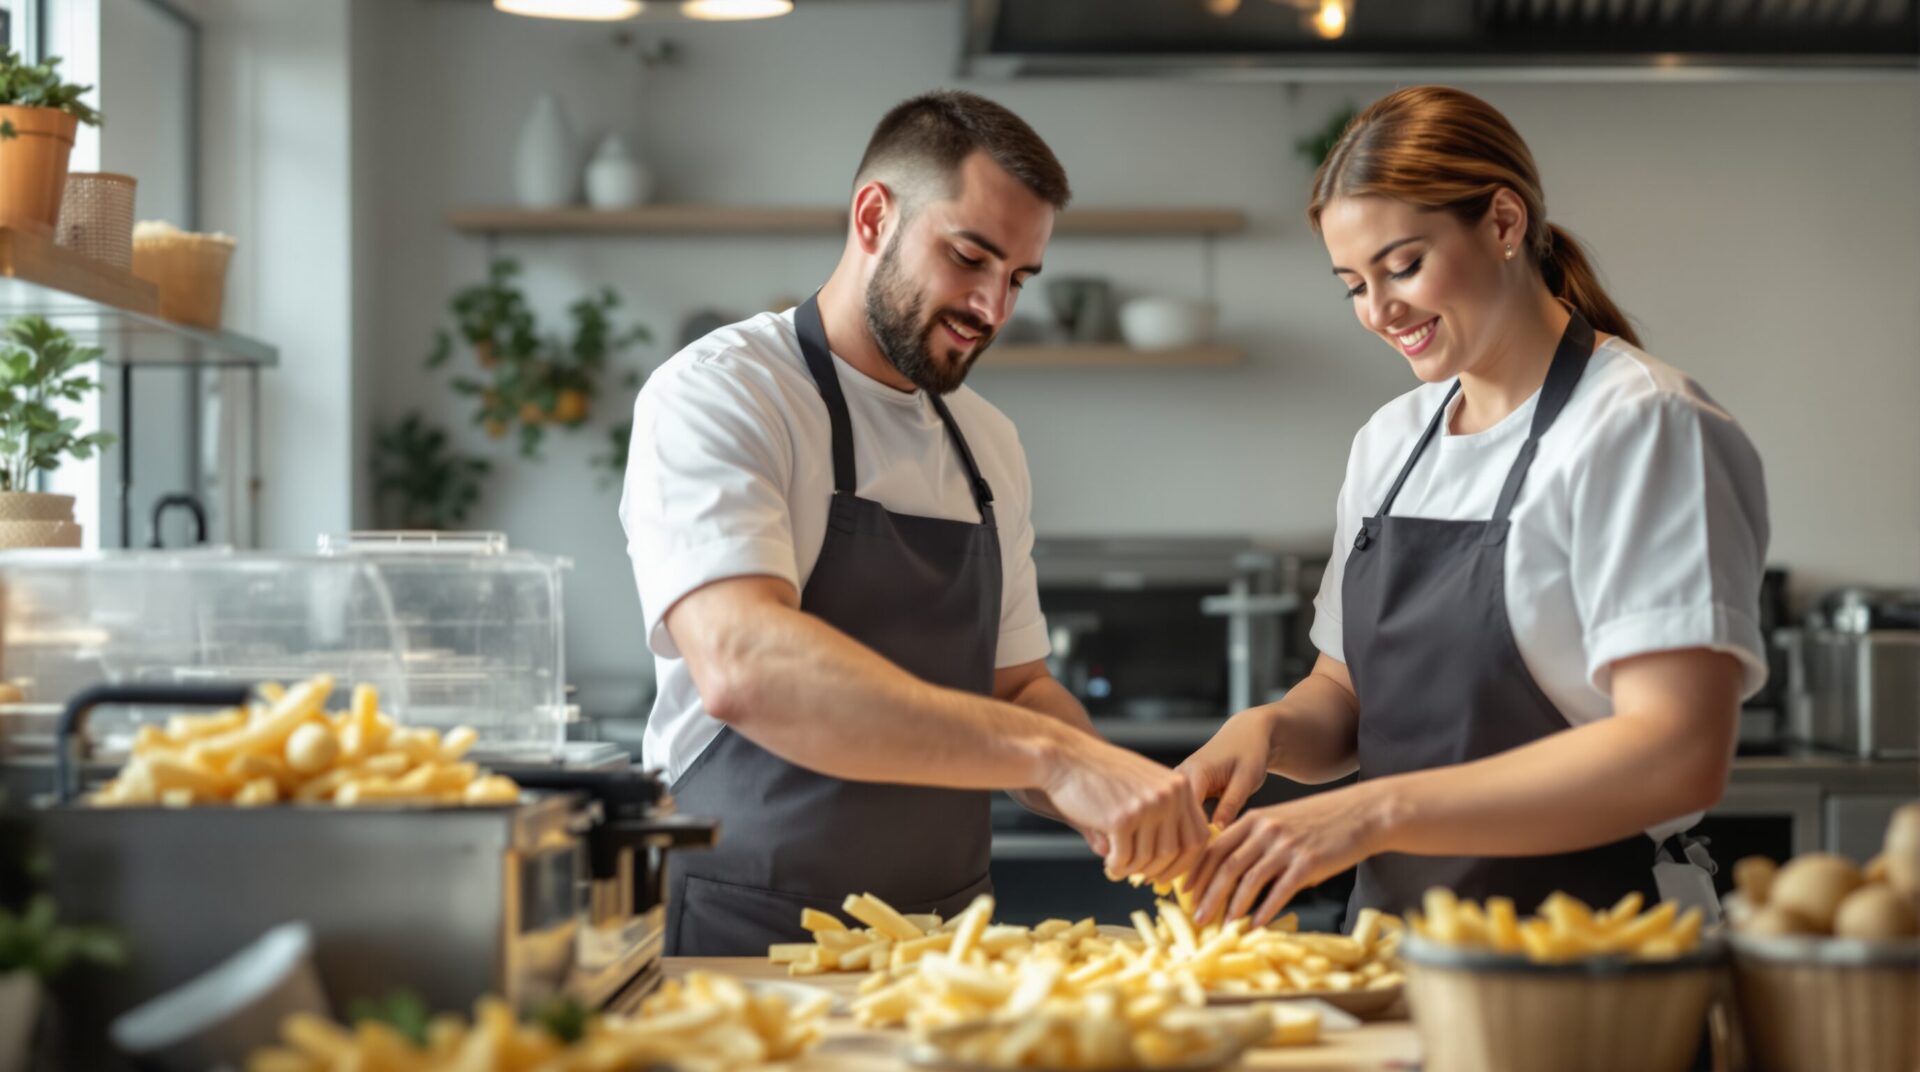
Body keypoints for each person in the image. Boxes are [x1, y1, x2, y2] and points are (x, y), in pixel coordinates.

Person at [620, 90, 1209, 955]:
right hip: (742, 937)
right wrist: (1057, 760)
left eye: (1018, 278)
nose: (993, 308)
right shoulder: (724, 393)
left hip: (947, 946)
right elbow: (745, 664)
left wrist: (1127, 792)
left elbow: (1017, 691)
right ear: (872, 217)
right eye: (970, 257)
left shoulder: (988, 444)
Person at [1178, 85, 1770, 928]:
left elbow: (1677, 755)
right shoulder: (1391, 441)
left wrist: (1374, 812)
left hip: (1601, 954)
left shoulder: (1642, 426)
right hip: (1393, 953)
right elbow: (1343, 697)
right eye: (1352, 284)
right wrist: (1267, 731)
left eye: (1403, 266)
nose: (1379, 313)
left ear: (1502, 223)